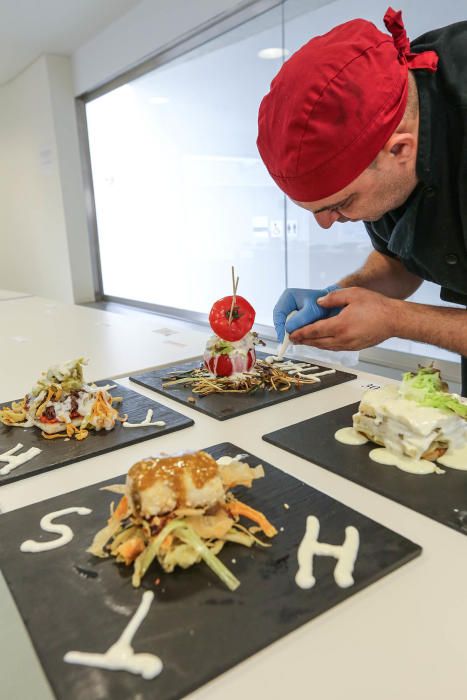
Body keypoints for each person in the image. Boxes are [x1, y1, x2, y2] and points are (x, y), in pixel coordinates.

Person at [256, 7, 467, 390]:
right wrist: (338, 298)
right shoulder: (394, 104)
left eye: (341, 203)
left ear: (400, 150)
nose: (326, 222)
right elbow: (400, 257)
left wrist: (396, 319)